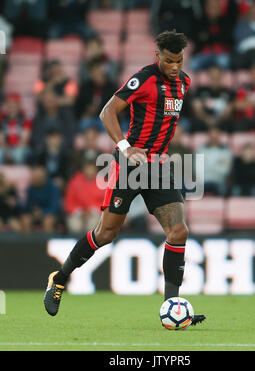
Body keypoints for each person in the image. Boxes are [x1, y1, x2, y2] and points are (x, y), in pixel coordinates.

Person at [43, 30, 206, 326]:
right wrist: (125, 148)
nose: (174, 66)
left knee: (178, 232)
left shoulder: (184, 83)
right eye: (169, 60)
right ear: (157, 56)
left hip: (159, 167)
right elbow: (108, 112)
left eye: (179, 60)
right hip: (130, 166)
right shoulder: (143, 80)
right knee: (106, 234)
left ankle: (173, 307)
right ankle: (59, 278)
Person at [64, 160, 106, 234]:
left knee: (92, 224)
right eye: (87, 168)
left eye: (92, 169)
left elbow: (106, 201)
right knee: (75, 225)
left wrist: (93, 211)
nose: (90, 171)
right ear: (83, 169)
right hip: (77, 214)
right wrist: (80, 212)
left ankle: (91, 245)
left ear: (96, 170)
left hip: (96, 215)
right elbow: (69, 202)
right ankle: (78, 245)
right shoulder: (75, 181)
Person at [190, 64, 235, 132]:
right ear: (209, 77)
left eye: (217, 77)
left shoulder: (227, 92)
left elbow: (229, 110)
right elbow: (197, 107)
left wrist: (217, 120)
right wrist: (206, 119)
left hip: (222, 123)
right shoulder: (200, 91)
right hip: (203, 122)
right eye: (212, 77)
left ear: (221, 77)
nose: (214, 80)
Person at [21, 165, 61, 234]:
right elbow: (27, 205)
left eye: (36, 178)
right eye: (34, 178)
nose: (34, 180)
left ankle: (47, 243)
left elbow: (54, 207)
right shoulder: (31, 188)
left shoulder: (53, 188)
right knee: (25, 220)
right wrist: (33, 212)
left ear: (43, 178)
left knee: (48, 221)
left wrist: (42, 212)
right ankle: (28, 243)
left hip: (49, 214)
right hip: (34, 214)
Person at [196, 127, 232, 196]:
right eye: (212, 136)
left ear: (219, 136)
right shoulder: (201, 150)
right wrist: (217, 163)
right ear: (208, 136)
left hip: (219, 181)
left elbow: (225, 170)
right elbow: (197, 170)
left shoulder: (226, 151)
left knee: (223, 190)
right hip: (203, 181)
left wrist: (208, 166)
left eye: (215, 136)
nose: (213, 138)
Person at [0, 93, 32, 164]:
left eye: (14, 103)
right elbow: (1, 140)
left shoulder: (25, 118)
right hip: (6, 147)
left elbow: (24, 140)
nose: (11, 106)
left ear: (18, 105)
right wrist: (7, 151)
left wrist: (13, 152)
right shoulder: (1, 118)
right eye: (9, 103)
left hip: (22, 147)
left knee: (18, 154)